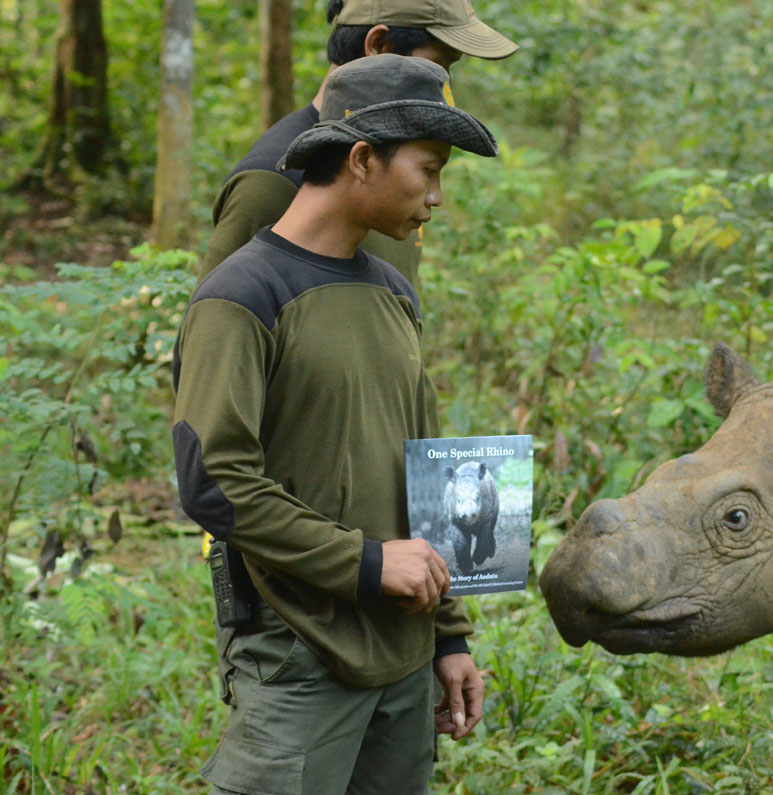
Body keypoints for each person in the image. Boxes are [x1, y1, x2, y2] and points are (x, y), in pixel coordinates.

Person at [172, 54, 499, 794]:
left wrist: (448, 633)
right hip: (298, 652)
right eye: (429, 168)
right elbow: (215, 481)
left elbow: (428, 465)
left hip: (407, 657)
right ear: (361, 158)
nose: (438, 196)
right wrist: (369, 563)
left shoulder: (391, 292)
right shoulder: (243, 294)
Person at [197, 0, 518, 285]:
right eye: (441, 64)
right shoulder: (271, 183)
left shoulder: (401, 167)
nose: (442, 87)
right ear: (378, 45)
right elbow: (211, 334)